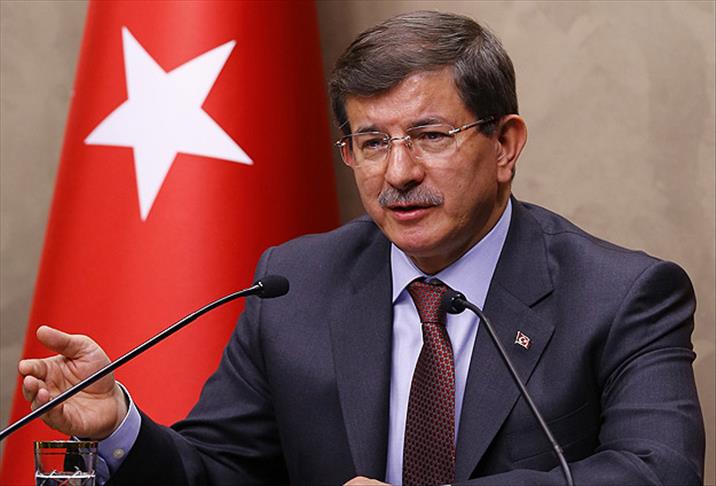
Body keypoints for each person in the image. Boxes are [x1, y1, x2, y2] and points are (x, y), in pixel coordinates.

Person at [18, 10, 704, 486]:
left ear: (505, 145)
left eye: (430, 136)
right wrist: (120, 427)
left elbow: (658, 470)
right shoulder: (295, 283)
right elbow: (223, 471)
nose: (398, 173)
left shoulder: (621, 295)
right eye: (372, 143)